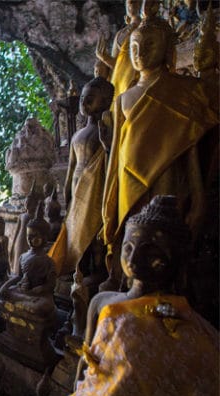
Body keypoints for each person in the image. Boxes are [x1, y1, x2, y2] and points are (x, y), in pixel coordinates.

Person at [49, 196, 219, 396]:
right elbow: (87, 358)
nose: (135, 258)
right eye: (128, 248)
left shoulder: (188, 324)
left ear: (178, 260)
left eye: (152, 253)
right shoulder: (103, 302)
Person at [100, 18, 218, 290]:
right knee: (132, 237)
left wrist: (199, 198)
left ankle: (169, 290)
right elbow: (115, 154)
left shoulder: (182, 91)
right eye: (135, 46)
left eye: (150, 44)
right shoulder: (123, 98)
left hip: (167, 175)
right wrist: (110, 198)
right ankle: (130, 289)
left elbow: (188, 148)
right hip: (128, 180)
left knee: (164, 237)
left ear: (167, 48)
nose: (140, 52)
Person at [50, 77, 114, 278]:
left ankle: (98, 271)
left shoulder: (106, 131)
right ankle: (79, 267)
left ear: (105, 102)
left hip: (97, 187)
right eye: (83, 100)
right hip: (78, 186)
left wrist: (107, 146)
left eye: (90, 100)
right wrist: (67, 192)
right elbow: (71, 167)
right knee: (74, 231)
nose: (84, 104)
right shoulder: (77, 135)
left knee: (95, 233)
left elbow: (114, 162)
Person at [95, 0, 141, 101]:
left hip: (140, 79)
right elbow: (116, 69)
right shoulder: (120, 34)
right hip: (123, 84)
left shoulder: (149, 26)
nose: (131, 5)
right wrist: (104, 60)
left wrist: (106, 59)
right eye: (129, 3)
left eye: (134, 2)